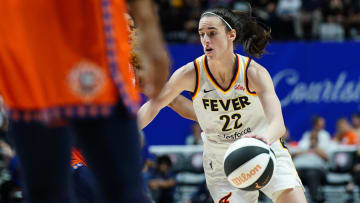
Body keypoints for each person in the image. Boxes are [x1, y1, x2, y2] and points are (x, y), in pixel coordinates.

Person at [0, 0, 169, 203]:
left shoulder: (129, 61)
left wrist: (149, 26)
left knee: (124, 192)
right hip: (29, 51)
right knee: (45, 194)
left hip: (95, 47)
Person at [138, 6, 306, 203]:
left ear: (231, 35)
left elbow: (278, 123)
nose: (206, 40)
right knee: (170, 100)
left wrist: (265, 139)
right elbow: (154, 106)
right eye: (202, 34)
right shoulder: (189, 73)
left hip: (263, 146)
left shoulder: (254, 73)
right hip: (221, 159)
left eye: (212, 33)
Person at [292, 116, 331, 203]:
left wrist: (314, 146)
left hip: (317, 170)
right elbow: (297, 152)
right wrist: (307, 150)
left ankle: (315, 199)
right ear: (315, 124)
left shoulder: (325, 135)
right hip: (300, 168)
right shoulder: (306, 135)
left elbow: (326, 157)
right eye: (319, 123)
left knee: (311, 174)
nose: (321, 125)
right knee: (292, 175)